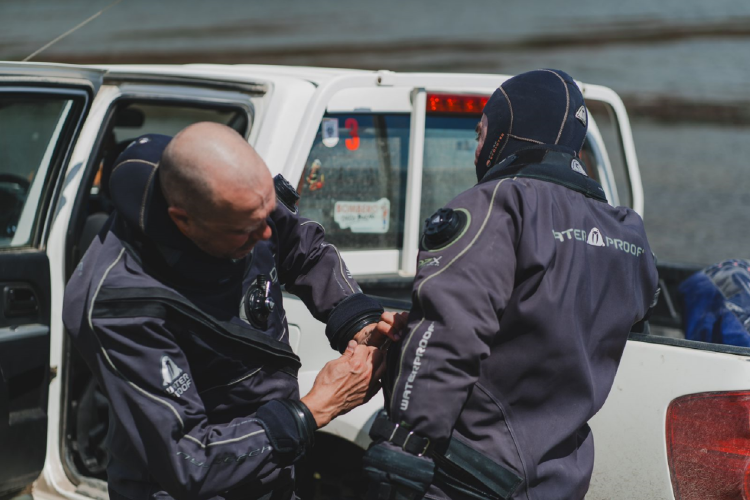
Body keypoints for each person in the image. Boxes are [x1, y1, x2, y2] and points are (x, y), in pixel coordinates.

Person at [363, 69, 660, 500]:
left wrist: (404, 447)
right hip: (560, 477)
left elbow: (449, 334)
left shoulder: (499, 204)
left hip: (468, 471)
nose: (478, 147)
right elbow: (591, 326)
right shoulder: (629, 234)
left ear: (506, 133)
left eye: (481, 131)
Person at [63, 122, 397, 500]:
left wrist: (357, 319)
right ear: (183, 219)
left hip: (272, 465)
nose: (266, 236)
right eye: (247, 232)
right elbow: (189, 459)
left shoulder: (243, 200)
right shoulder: (121, 304)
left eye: (267, 215)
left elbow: (301, 247)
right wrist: (313, 409)